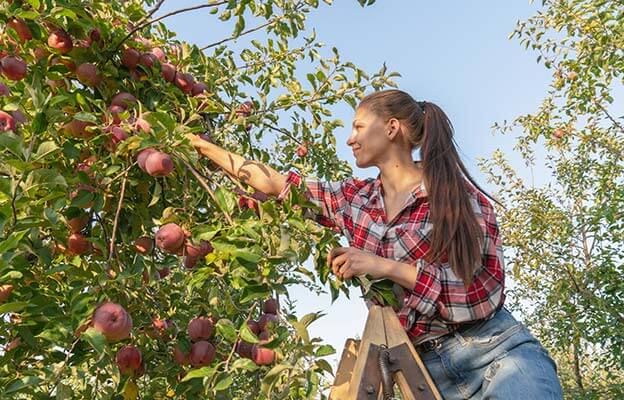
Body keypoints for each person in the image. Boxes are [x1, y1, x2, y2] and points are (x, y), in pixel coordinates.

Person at [186, 89, 564, 399]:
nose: (350, 138)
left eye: (358, 126)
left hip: (495, 353)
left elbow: (484, 291)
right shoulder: (355, 201)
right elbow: (277, 184)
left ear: (392, 128)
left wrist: (383, 266)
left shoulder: (454, 195)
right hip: (428, 375)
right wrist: (202, 147)